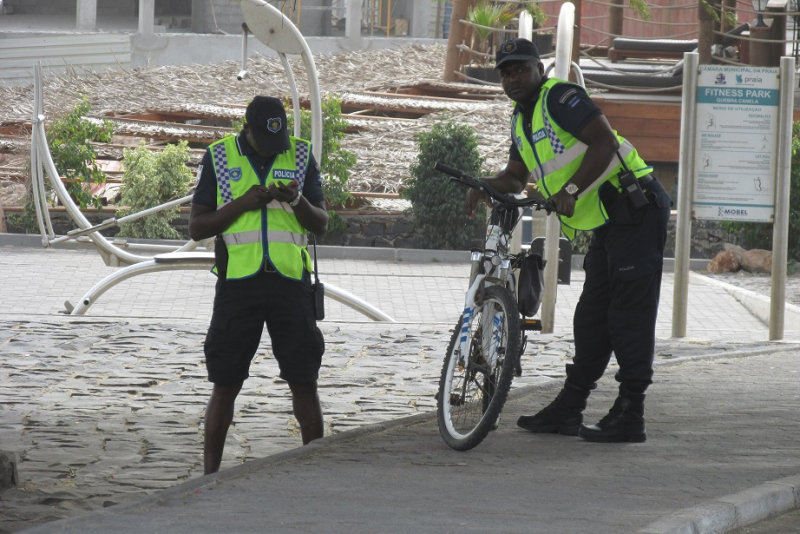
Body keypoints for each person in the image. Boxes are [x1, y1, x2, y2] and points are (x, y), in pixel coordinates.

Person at [466, 38, 671, 443]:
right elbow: (514, 175)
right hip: (610, 223)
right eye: (505, 72)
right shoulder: (520, 120)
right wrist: (482, 182)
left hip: (634, 205)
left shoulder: (559, 97)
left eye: (520, 69)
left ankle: (632, 411)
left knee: (628, 314)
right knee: (592, 316)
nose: (513, 78)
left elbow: (604, 141)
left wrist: (572, 189)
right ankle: (570, 406)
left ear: (538, 69)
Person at [189, 95, 328, 474]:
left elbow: (320, 223)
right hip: (238, 285)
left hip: (290, 284)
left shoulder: (300, 154)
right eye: (265, 142)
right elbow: (197, 226)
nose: (273, 150)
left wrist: (297, 200)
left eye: (277, 142)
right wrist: (243, 204)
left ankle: (315, 470)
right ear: (246, 128)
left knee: (304, 381)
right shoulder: (218, 157)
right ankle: (210, 475)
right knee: (225, 382)